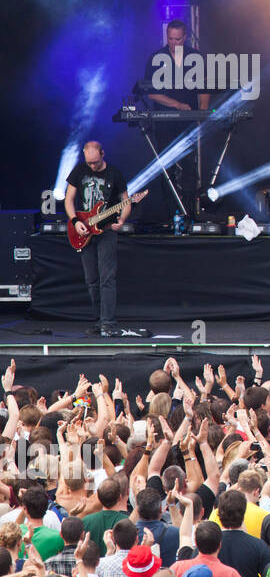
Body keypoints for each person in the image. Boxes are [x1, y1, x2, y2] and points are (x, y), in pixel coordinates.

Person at [64, 141, 134, 338]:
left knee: (107, 278)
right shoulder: (79, 171)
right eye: (89, 163)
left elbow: (126, 201)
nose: (92, 166)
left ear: (103, 154)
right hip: (84, 229)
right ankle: (98, 319)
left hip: (106, 231)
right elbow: (69, 199)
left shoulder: (115, 174)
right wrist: (76, 221)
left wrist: (122, 219)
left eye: (95, 162)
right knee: (91, 279)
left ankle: (108, 322)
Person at [143, 19, 209, 111]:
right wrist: (177, 104)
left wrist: (203, 109)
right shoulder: (156, 58)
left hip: (190, 115)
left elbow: (204, 86)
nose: (173, 42)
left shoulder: (195, 56)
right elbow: (152, 93)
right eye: (170, 38)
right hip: (164, 119)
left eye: (177, 39)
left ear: (185, 37)